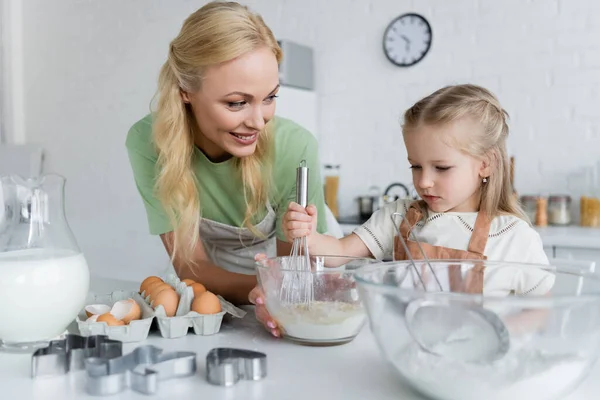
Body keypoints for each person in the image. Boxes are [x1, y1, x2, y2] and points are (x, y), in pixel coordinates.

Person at [125, 1, 328, 335]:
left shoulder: (295, 148)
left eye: (270, 97)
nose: (258, 120)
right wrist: (261, 291)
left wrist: (274, 293)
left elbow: (291, 275)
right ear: (186, 91)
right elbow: (191, 264)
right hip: (218, 281)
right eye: (237, 103)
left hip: (291, 277)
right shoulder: (148, 142)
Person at [281, 84, 555, 301]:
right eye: (416, 166)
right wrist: (308, 235)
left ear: (485, 164)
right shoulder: (400, 217)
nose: (423, 181)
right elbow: (337, 252)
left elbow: (541, 310)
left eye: (441, 168)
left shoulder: (514, 238)